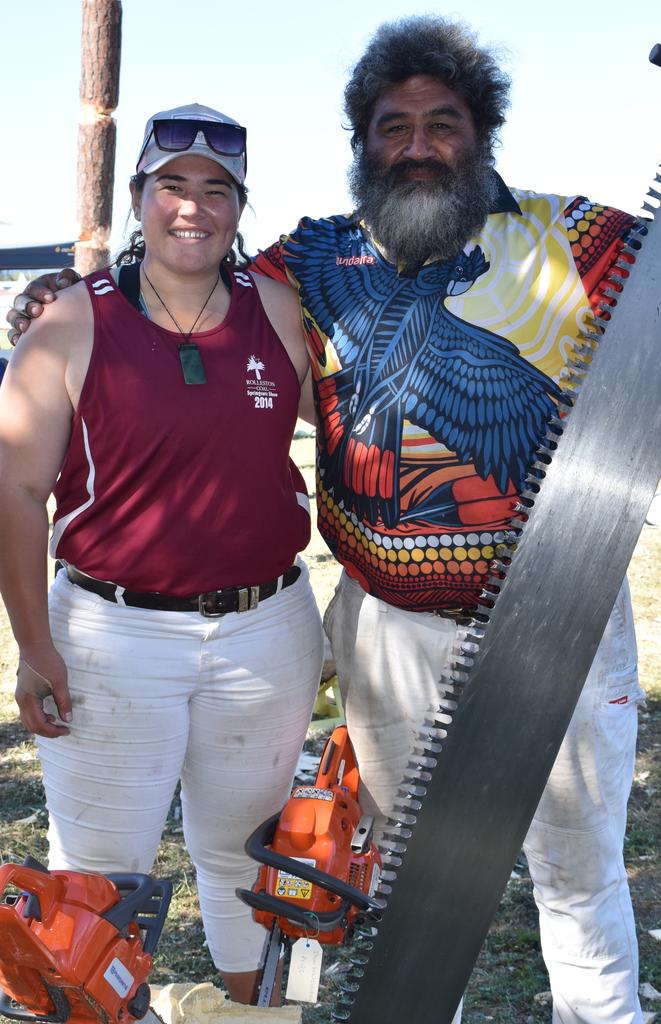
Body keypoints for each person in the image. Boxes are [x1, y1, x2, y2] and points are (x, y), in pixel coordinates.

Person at [7, 21, 661, 1024]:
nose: (415, 143)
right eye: (391, 125)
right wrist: (78, 297)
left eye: (440, 123)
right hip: (389, 628)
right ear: (362, 142)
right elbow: (192, 275)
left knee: (578, 871)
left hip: (565, 617)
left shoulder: (570, 236)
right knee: (414, 889)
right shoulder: (311, 261)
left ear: (480, 133)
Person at [0, 104, 324, 1006]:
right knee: (100, 875)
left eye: (216, 190)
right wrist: (34, 646)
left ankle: (250, 1014)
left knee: (252, 854)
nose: (194, 207)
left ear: (239, 205)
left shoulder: (279, 310)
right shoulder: (69, 322)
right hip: (113, 633)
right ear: (140, 199)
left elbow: (346, 429)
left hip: (265, 627)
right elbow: (16, 492)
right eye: (172, 187)